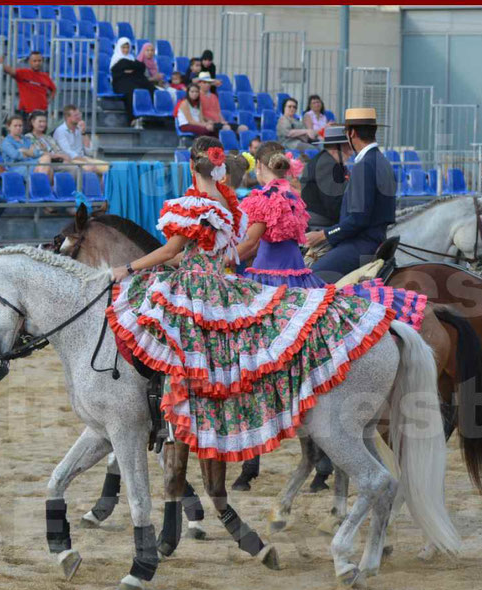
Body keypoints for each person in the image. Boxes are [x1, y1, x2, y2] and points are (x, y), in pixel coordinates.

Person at [105, 136, 396, 464]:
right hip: (227, 278)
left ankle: (173, 422)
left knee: (171, 342)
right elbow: (222, 252)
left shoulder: (197, 206)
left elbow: (174, 250)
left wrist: (130, 266)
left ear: (192, 167)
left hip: (199, 285)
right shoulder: (226, 207)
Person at [230, 142, 428, 491]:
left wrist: (222, 261)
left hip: (268, 278)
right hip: (299, 277)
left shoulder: (263, 197)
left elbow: (250, 245)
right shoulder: (292, 196)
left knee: (245, 344)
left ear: (260, 167)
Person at [307, 108, 396, 282]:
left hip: (360, 244)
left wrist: (324, 235)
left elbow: (357, 219)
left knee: (310, 278)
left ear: (352, 133)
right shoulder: (383, 161)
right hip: (377, 238)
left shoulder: (364, 165)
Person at [300, 125, 350, 231]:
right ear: (335, 149)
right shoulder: (327, 165)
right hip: (320, 226)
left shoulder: (328, 161)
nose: (350, 152)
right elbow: (334, 205)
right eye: (347, 148)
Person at [53, 104, 109, 178]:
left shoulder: (79, 129)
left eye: (79, 114)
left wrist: (83, 132)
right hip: (68, 160)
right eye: (76, 115)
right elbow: (68, 152)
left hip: (82, 158)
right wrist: (86, 161)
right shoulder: (60, 131)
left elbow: (90, 151)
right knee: (90, 168)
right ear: (67, 117)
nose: (79, 117)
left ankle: (104, 189)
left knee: (108, 167)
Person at [0, 52, 56, 123]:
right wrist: (1, 64)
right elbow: (11, 71)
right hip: (26, 113)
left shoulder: (45, 77)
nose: (37, 63)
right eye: (35, 61)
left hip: (41, 113)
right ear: (30, 62)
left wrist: (48, 100)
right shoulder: (23, 73)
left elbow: (53, 89)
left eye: (39, 61)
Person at [110, 37, 154, 124]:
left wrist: (128, 69)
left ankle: (150, 115)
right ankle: (132, 118)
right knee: (132, 91)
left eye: (127, 47)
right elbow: (117, 73)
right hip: (120, 84)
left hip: (132, 81)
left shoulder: (131, 57)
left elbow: (140, 68)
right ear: (119, 47)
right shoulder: (116, 58)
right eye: (123, 47)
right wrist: (129, 68)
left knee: (149, 87)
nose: (126, 50)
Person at [25, 110, 74, 182]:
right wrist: (55, 155)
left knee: (77, 167)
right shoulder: (28, 137)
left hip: (57, 162)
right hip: (43, 163)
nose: (43, 124)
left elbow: (58, 151)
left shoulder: (48, 138)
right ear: (32, 122)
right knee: (74, 169)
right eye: (40, 121)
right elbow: (37, 153)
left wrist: (62, 156)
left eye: (44, 122)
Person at [0, 114, 52, 181]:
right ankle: (41, 188)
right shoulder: (6, 142)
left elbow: (36, 153)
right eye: (15, 126)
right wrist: (30, 152)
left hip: (29, 164)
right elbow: (16, 155)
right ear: (9, 127)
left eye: (20, 126)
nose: (18, 128)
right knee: (46, 160)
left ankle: (42, 189)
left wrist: (24, 151)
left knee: (48, 167)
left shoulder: (25, 139)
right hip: (15, 168)